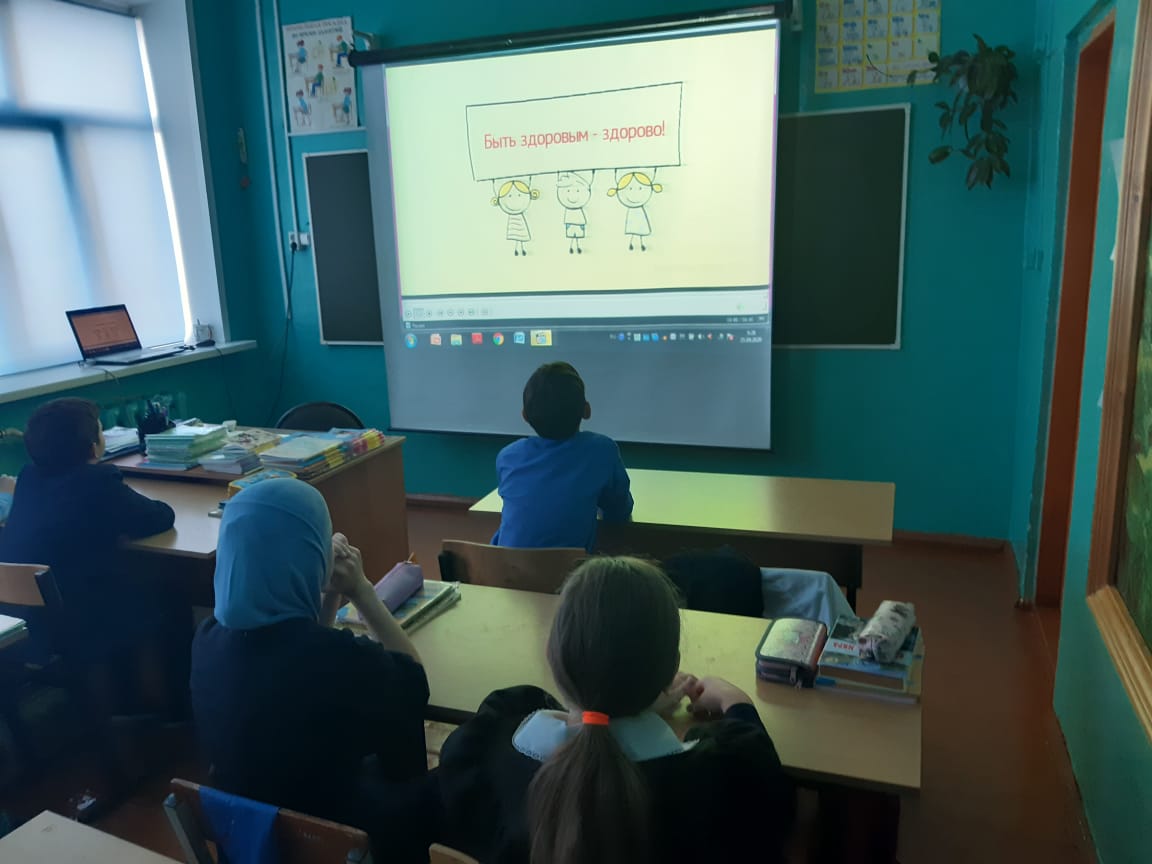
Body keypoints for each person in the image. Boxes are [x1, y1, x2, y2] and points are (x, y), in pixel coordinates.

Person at [437, 556, 795, 864]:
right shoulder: (718, 782)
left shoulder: (487, 758)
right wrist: (736, 701)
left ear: (551, 654)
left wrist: (619, 704)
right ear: (671, 668)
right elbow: (765, 783)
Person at [190, 479, 435, 862]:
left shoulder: (206, 640)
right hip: (344, 842)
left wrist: (329, 591)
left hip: (252, 841)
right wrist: (361, 590)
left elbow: (299, 645)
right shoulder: (345, 662)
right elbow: (414, 684)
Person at [0, 398, 182, 712]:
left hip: (32, 620)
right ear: (92, 447)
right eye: (100, 431)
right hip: (82, 618)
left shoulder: (28, 477)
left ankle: (116, 704)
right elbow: (160, 517)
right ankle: (166, 708)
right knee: (169, 595)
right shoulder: (98, 481)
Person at [492, 362, 632, 551]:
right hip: (571, 570)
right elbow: (619, 511)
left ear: (524, 415)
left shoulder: (508, 457)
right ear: (586, 410)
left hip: (504, 567)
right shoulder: (602, 450)